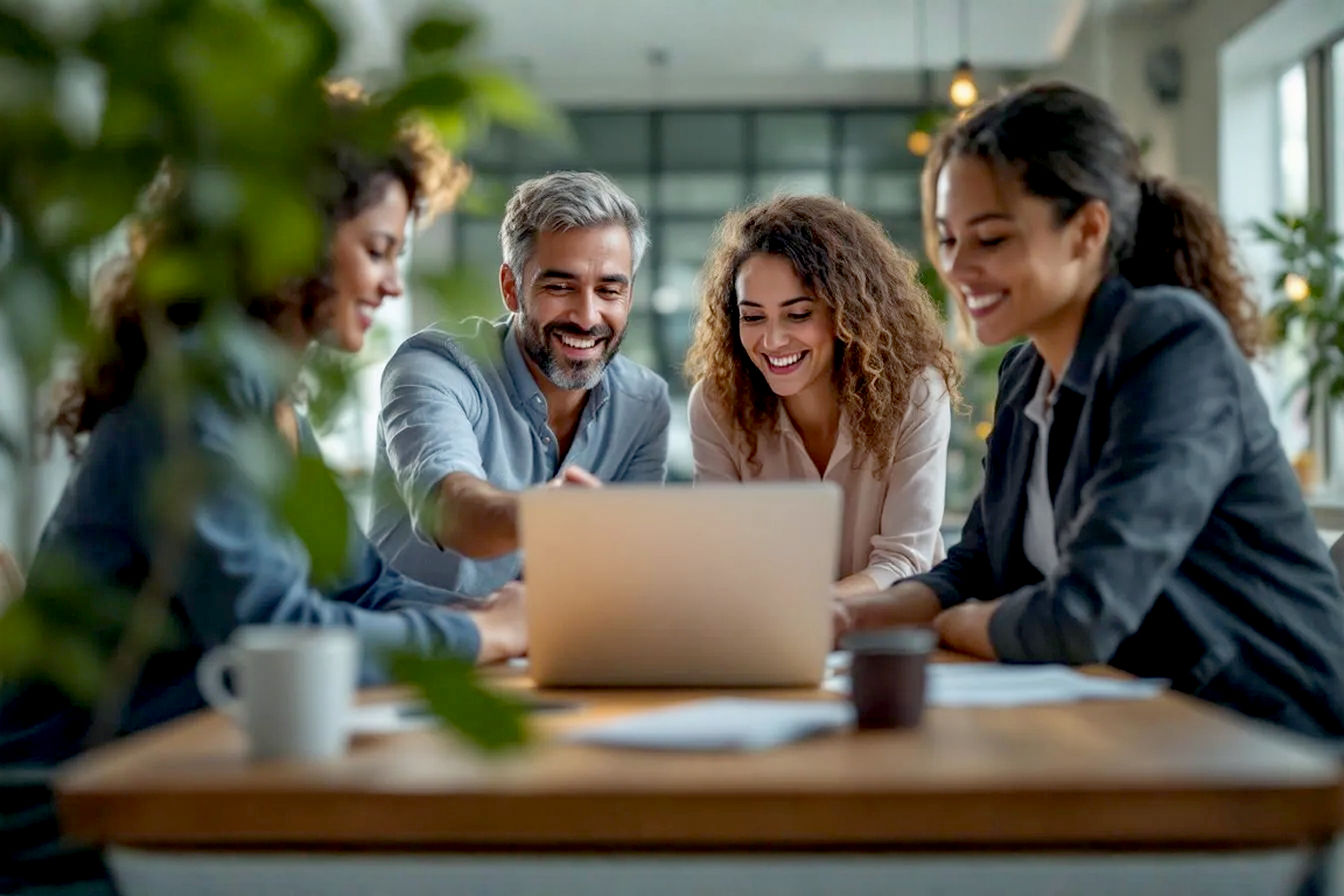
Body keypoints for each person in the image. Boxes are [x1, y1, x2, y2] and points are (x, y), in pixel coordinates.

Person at [1, 84, 528, 776]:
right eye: (377, 250)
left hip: (183, 770)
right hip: (77, 804)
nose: (392, 285)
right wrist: (478, 634)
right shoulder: (193, 394)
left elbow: (357, 589)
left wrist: (494, 610)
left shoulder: (267, 403)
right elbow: (278, 636)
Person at [843, 82, 1344, 740]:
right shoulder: (1026, 375)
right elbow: (984, 560)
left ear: (1087, 230)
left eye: (990, 239)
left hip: (1268, 743)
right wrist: (861, 615)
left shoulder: (1171, 342)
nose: (958, 268)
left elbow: (1084, 611)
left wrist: (952, 625)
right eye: (947, 238)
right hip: (1136, 723)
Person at [370, 171, 670, 595]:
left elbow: (625, 572)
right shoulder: (433, 368)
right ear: (511, 288)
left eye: (608, 290)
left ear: (630, 297)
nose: (587, 317)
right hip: (421, 650)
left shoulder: (644, 403)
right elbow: (450, 509)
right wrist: (540, 516)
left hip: (558, 649)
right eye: (560, 286)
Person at [685, 195, 957, 599]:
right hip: (768, 637)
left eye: (798, 315)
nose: (772, 341)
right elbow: (720, 559)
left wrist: (805, 611)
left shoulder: (916, 394)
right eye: (753, 316)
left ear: (845, 314)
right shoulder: (717, 403)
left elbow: (904, 563)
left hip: (884, 632)